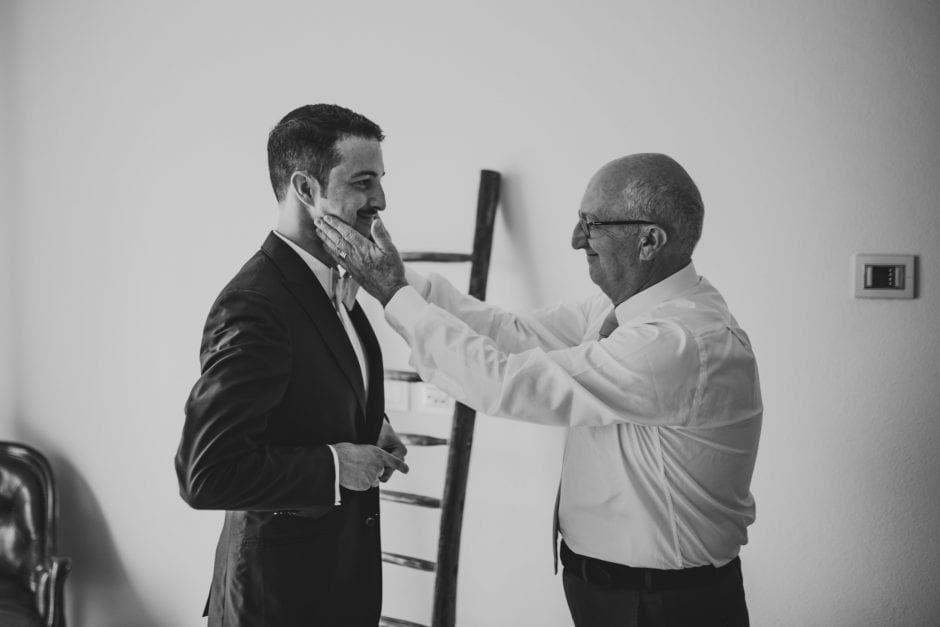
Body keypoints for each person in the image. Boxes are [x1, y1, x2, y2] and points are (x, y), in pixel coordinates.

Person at [315, 153, 762, 626]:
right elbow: (508, 332)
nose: (575, 239)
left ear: (649, 240)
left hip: (660, 607)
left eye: (590, 224)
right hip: (614, 592)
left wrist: (391, 294)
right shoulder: (621, 310)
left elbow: (507, 381)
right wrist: (400, 279)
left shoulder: (675, 344)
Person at [175, 103, 409, 627]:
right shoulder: (256, 303)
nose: (381, 201)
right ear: (305, 189)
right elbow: (205, 473)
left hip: (335, 585)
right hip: (276, 602)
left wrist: (370, 424)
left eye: (381, 181)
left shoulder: (333, 278)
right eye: (363, 182)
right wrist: (336, 465)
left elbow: (302, 391)